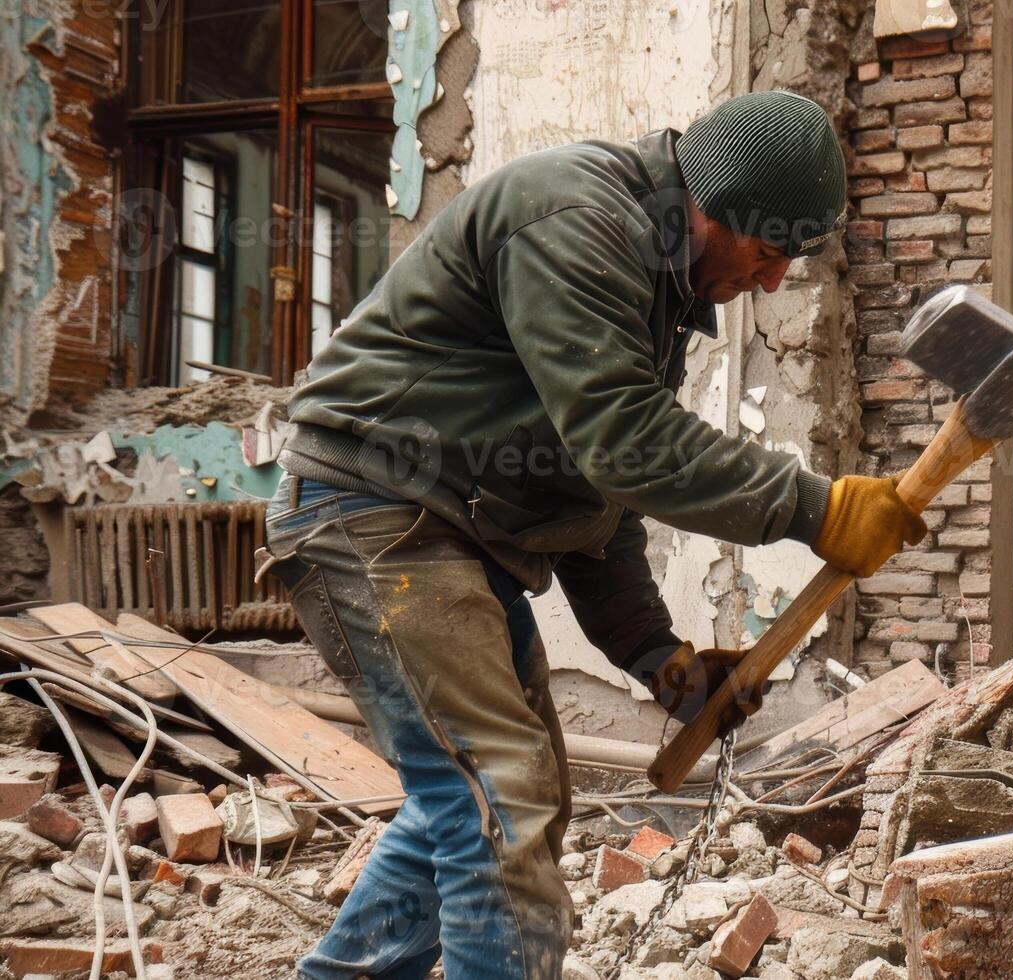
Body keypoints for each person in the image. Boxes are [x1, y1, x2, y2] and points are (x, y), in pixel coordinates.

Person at [259, 90, 926, 980]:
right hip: (374, 511)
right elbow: (626, 446)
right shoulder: (576, 216)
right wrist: (818, 508)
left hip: (452, 531)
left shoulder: (655, 279)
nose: (771, 282)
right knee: (501, 791)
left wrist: (658, 656)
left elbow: (592, 493)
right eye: (768, 253)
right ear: (712, 207)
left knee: (481, 793)